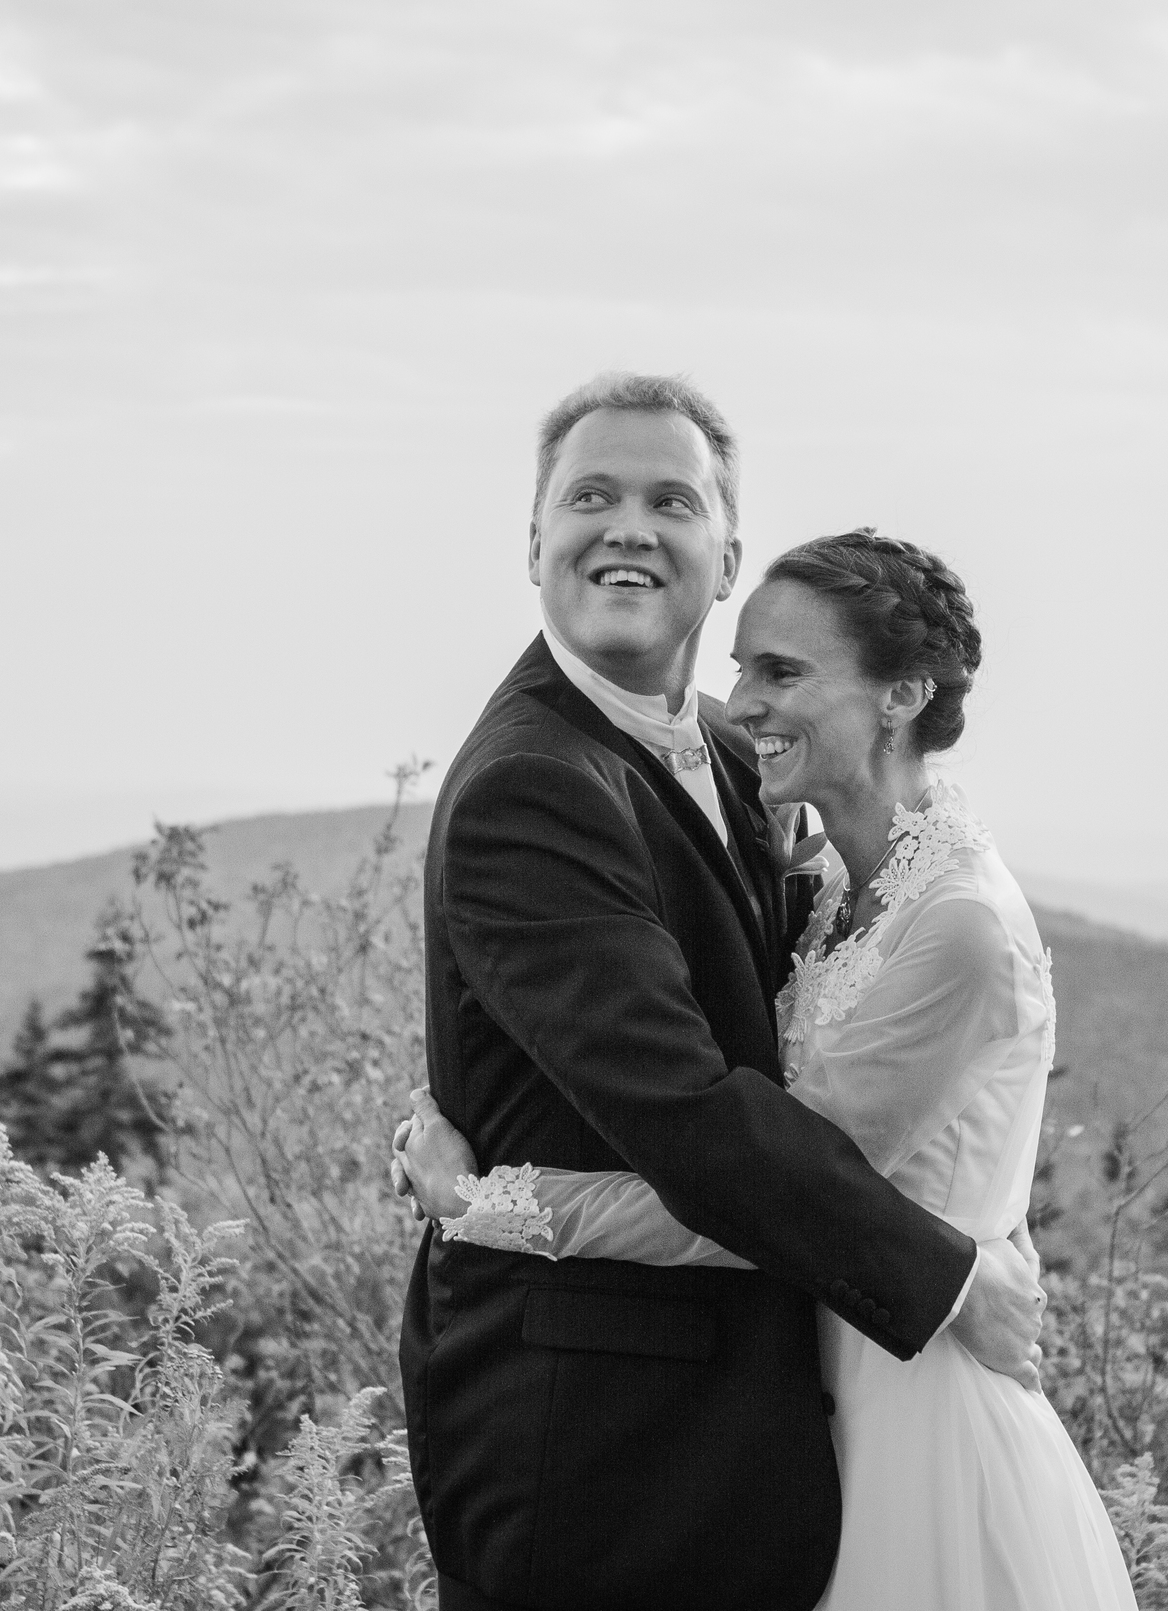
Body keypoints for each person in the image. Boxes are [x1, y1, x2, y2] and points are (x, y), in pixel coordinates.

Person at [397, 375, 1049, 1611]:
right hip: (594, 1441)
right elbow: (688, 1110)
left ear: (725, 551)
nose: (626, 526)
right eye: (589, 495)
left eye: (669, 499)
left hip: (756, 1428)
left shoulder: (732, 748)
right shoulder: (531, 784)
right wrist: (949, 1272)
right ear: (533, 539)